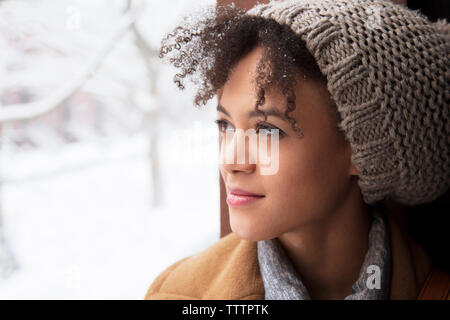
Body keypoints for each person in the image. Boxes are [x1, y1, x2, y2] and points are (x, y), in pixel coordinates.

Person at [145, 0, 449, 300]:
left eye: (267, 130)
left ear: (363, 147)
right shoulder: (176, 295)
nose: (230, 161)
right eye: (225, 125)